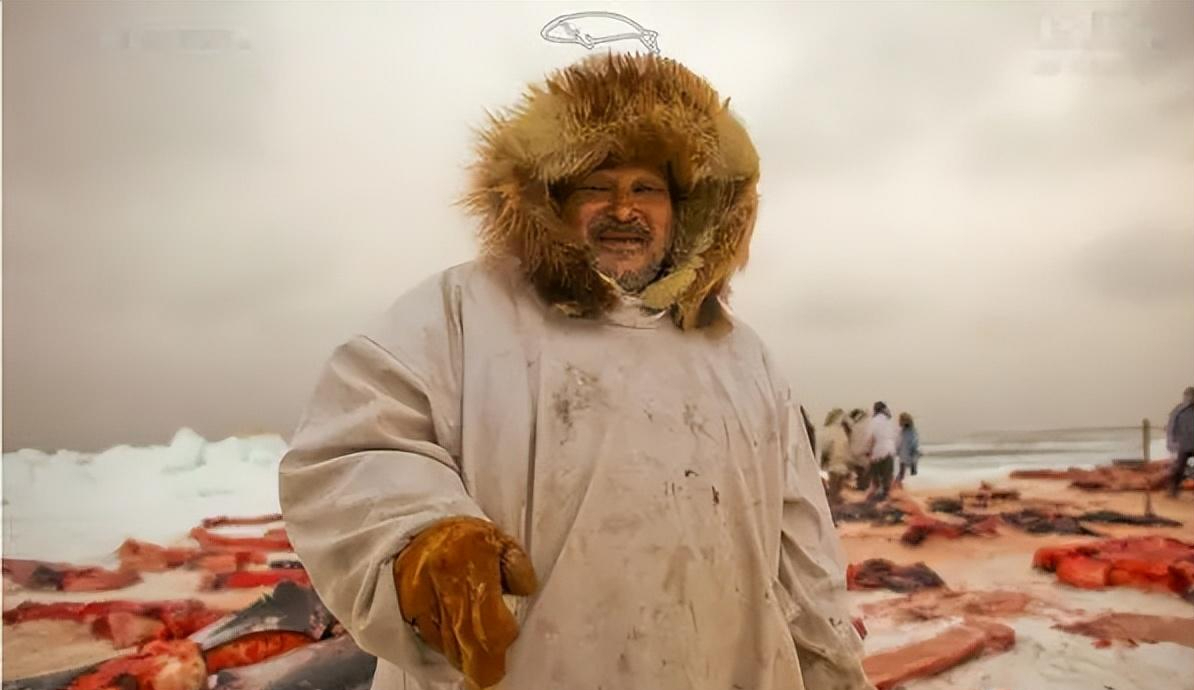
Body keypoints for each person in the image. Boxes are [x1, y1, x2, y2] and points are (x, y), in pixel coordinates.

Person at [278, 53, 872, 690]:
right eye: (596, 186)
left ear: (688, 209)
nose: (624, 208)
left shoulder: (741, 355)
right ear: (551, 199)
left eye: (647, 188)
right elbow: (357, 446)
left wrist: (836, 672)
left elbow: (803, 550)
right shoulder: (461, 312)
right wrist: (423, 539)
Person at [866, 402, 898, 501]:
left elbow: (871, 439)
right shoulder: (890, 421)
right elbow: (895, 436)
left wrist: (868, 453)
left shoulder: (873, 421)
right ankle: (886, 498)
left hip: (878, 453)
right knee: (887, 479)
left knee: (876, 480)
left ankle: (876, 500)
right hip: (890, 451)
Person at [1167, 386, 1194, 498]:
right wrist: (1171, 443)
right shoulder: (1178, 410)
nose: (1189, 398)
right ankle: (1173, 490)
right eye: (1187, 396)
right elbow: (1171, 427)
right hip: (1184, 445)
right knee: (1179, 468)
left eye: (1191, 395)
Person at [847, 407, 872, 491]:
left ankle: (861, 488)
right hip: (865, 454)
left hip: (856, 454)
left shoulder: (855, 427)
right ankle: (863, 489)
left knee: (860, 474)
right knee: (865, 475)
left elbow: (852, 441)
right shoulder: (867, 425)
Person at [895, 412, 921, 484]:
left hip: (907, 454)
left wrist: (897, 451)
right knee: (903, 473)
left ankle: (897, 485)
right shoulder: (906, 431)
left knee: (904, 473)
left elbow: (912, 443)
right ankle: (897, 486)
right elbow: (913, 442)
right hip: (907, 454)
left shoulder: (907, 431)